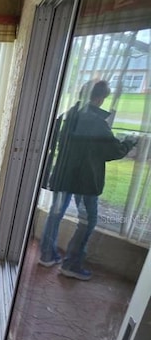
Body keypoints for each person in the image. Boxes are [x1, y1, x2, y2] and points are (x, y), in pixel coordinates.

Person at [38, 79, 137, 280]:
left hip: (63, 174)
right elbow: (113, 150)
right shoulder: (95, 122)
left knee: (55, 214)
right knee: (87, 221)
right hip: (85, 180)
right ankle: (72, 264)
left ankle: (47, 255)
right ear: (99, 98)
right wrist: (128, 143)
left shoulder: (67, 116)